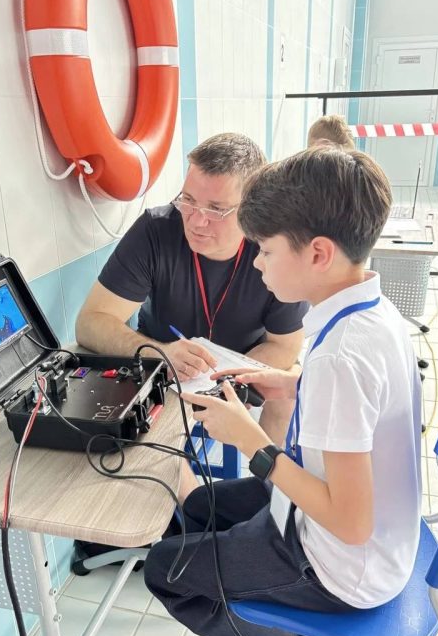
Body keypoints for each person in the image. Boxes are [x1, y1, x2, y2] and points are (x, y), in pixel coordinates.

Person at [144, 146, 422, 636]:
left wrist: (252, 441)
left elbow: (349, 522)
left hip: (339, 565)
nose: (257, 264)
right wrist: (290, 383)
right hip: (362, 533)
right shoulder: (372, 315)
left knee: (166, 571)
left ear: (318, 253)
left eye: (266, 250)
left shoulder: (342, 356)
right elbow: (362, 410)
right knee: (196, 508)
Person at [76, 132, 307, 500]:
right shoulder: (155, 232)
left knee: (287, 394)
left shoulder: (274, 246)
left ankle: (267, 497)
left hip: (244, 363)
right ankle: (194, 513)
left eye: (216, 209)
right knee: (149, 422)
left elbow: (285, 345)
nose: (197, 221)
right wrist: (160, 353)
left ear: (251, 208)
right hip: (164, 368)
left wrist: (232, 377)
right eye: (188, 200)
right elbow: (91, 322)